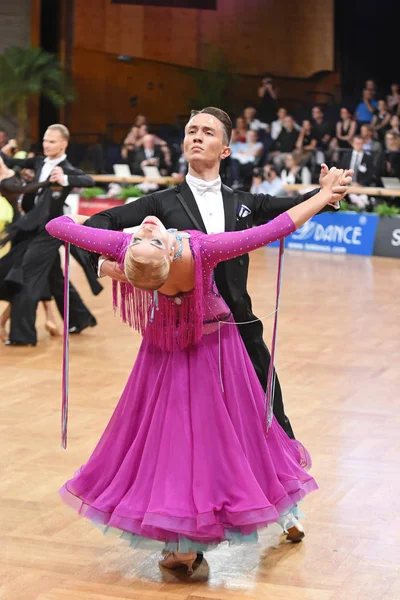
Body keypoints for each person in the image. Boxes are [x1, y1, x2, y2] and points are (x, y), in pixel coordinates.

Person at [46, 165, 350, 574]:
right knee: (238, 433)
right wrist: (321, 196)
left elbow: (56, 225)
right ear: (169, 254)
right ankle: (276, 515)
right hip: (216, 352)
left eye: (141, 236)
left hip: (163, 353)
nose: (147, 228)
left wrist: (102, 253)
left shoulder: (125, 249)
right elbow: (277, 227)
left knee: (173, 443)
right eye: (147, 237)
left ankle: (182, 545)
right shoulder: (202, 250)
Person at [84, 108, 351, 442]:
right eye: (191, 130)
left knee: (270, 413)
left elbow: (294, 206)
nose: (197, 136)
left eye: (208, 132)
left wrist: (328, 192)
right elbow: (97, 225)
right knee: (183, 426)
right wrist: (112, 267)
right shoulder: (160, 202)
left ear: (226, 150)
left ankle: (279, 484)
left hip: (239, 322)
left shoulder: (244, 202)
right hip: (182, 330)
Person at [0, 124, 97, 346]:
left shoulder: (67, 168)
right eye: (45, 140)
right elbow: (12, 162)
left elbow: (88, 180)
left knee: (27, 273)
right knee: (54, 278)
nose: (46, 144)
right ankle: (79, 318)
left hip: (50, 230)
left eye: (52, 141)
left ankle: (22, 335)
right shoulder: (39, 161)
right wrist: (8, 149)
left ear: (64, 144)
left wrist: (64, 179)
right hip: (30, 227)